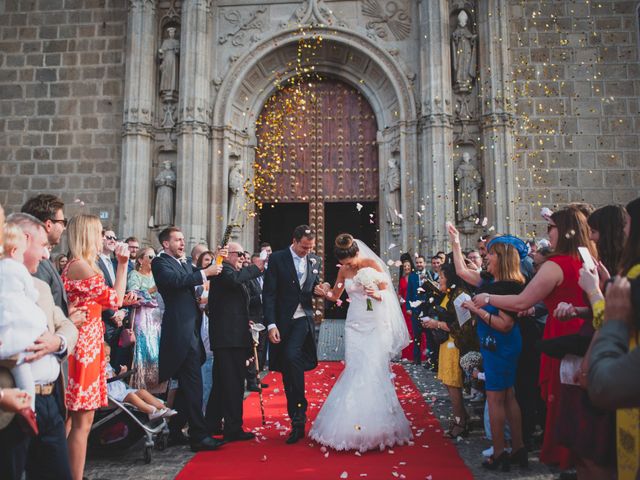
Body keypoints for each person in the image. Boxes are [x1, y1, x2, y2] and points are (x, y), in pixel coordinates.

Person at [472, 207, 606, 477]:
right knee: (582, 402)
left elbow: (522, 300)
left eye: (551, 228)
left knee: (562, 401)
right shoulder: (590, 259)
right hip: (590, 333)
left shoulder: (556, 265)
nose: (548, 234)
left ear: (565, 231)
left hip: (563, 335)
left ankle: (570, 460)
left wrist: (488, 299)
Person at [310, 234, 412, 452]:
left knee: (372, 369)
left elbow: (387, 292)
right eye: (345, 264)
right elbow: (335, 294)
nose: (349, 266)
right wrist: (323, 292)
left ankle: (377, 425)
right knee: (355, 367)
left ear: (357, 253)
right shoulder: (343, 270)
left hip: (374, 322)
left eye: (350, 262)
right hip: (354, 322)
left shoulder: (371, 264)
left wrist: (375, 294)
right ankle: (351, 422)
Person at [0, 212, 79, 480]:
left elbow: (66, 325)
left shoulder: (39, 288)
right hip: (11, 403)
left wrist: (56, 341)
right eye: (43, 246)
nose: (47, 256)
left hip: (48, 401)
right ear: (23, 241)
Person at [449, 226, 528, 471]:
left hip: (500, 346)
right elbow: (462, 270)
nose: (487, 257)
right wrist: (456, 242)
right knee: (509, 395)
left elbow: (504, 325)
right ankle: (518, 448)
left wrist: (476, 310)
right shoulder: (491, 281)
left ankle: (500, 452)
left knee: (495, 398)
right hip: (497, 345)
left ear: (502, 258)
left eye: (492, 254)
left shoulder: (507, 287)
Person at [62, 215, 128, 480]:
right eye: (100, 233)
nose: (103, 239)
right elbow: (115, 299)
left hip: (88, 344)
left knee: (73, 419)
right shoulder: (81, 267)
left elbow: (100, 303)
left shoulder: (80, 266)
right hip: (83, 348)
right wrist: (123, 265)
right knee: (82, 420)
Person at [151, 227, 224, 452]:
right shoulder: (160, 263)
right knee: (193, 383)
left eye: (183, 240)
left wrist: (219, 258)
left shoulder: (183, 262)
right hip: (178, 331)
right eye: (178, 240)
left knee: (186, 384)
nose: (182, 243)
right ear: (165, 244)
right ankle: (198, 435)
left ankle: (174, 431)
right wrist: (205, 273)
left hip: (191, 329)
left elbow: (197, 276)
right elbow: (177, 281)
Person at [263, 225, 322, 444]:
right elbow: (268, 294)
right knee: (289, 371)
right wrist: (270, 325)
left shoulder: (315, 260)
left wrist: (321, 288)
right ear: (294, 241)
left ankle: (299, 413)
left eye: (310, 248)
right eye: (304, 247)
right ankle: (297, 417)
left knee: (290, 356)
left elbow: (312, 287)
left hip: (303, 321)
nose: (307, 252)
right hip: (282, 322)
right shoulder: (277, 259)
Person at [206, 242, 264, 441]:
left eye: (243, 254)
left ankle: (212, 423)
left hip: (233, 335)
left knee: (223, 383)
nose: (242, 257)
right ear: (228, 255)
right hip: (228, 338)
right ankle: (233, 427)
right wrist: (257, 267)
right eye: (239, 254)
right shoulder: (223, 271)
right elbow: (234, 280)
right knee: (233, 384)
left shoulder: (230, 272)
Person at [421, 263, 478, 440]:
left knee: (454, 385)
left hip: (455, 345)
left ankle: (461, 423)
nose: (440, 280)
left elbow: (463, 326)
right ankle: (461, 416)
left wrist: (436, 324)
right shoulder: (449, 294)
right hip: (446, 345)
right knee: (448, 383)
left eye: (443, 277)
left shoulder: (460, 296)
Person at [0, 223, 49, 411]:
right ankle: (30, 408)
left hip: (5, 324)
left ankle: (29, 407)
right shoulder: (18, 269)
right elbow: (31, 293)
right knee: (22, 365)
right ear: (14, 251)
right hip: (18, 325)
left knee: (19, 366)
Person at [21, 194, 69, 315]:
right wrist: (69, 321)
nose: (64, 228)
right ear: (48, 225)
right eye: (63, 222)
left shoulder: (45, 257)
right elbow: (38, 312)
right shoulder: (35, 261)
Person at [104, 344, 176, 420]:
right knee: (131, 396)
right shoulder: (97, 370)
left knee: (142, 392)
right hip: (112, 396)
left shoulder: (108, 366)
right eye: (105, 356)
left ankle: (164, 409)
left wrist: (122, 373)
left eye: (109, 355)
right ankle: (152, 412)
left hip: (120, 391)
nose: (108, 358)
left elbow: (115, 378)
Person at [127, 248, 164, 393]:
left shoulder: (157, 275)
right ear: (141, 260)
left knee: (157, 350)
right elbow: (133, 295)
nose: (153, 259)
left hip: (156, 316)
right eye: (150, 256)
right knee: (145, 348)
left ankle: (156, 389)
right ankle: (140, 387)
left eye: (155, 256)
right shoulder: (134, 275)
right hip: (142, 316)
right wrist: (151, 291)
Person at [397, 259, 414, 361]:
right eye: (404, 266)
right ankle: (406, 355)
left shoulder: (415, 277)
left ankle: (416, 354)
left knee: (414, 329)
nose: (406, 268)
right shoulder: (402, 280)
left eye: (408, 266)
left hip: (413, 306)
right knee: (406, 330)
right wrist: (401, 299)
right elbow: (399, 293)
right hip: (404, 308)